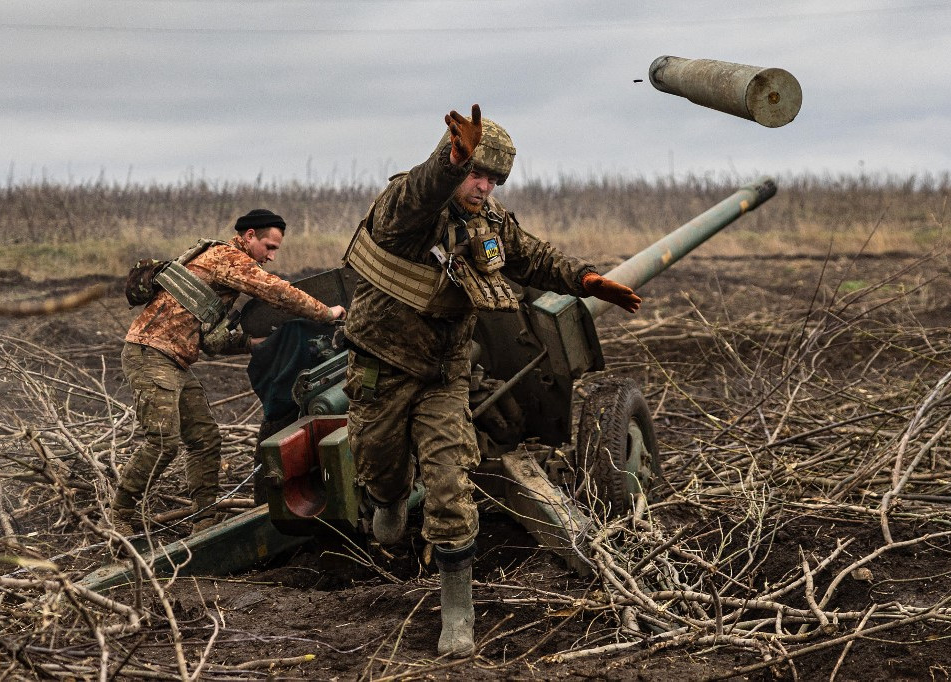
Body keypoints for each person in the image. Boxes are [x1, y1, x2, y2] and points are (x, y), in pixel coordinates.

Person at [340, 105, 640, 657]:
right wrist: (451, 158)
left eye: (494, 179)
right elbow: (424, 190)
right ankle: (386, 499)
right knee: (380, 470)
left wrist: (590, 280)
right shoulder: (409, 208)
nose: (484, 186)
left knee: (451, 489)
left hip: (444, 374)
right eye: (478, 174)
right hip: (380, 366)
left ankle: (458, 615)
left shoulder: (491, 222)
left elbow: (533, 258)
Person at [112, 209, 346, 538]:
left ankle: (204, 521)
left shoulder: (219, 265)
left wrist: (254, 343)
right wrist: (326, 312)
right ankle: (119, 513)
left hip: (175, 360)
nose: (272, 257)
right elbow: (277, 292)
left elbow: (212, 341)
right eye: (269, 246)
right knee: (164, 441)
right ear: (249, 236)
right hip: (150, 353)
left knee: (205, 439)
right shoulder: (227, 257)